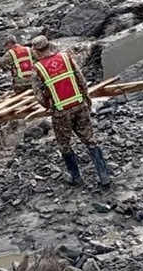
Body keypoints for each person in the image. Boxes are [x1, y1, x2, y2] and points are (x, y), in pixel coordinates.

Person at [30, 35, 110, 187]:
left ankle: (76, 177)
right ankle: (103, 175)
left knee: (64, 145)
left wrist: (49, 106)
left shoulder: (37, 69)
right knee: (90, 139)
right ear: (49, 45)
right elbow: (81, 80)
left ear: (36, 51)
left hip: (61, 112)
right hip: (79, 105)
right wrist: (86, 99)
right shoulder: (66, 58)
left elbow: (38, 96)